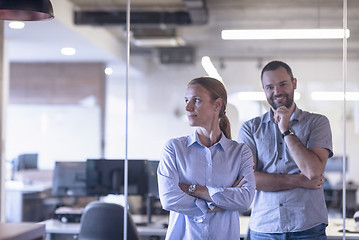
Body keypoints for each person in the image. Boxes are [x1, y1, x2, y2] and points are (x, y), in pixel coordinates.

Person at [238, 60, 333, 240]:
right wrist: (300, 180)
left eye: (283, 84)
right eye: (270, 87)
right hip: (265, 228)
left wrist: (286, 130)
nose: (277, 92)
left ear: (294, 83)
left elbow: (313, 172)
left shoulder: (317, 123)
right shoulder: (250, 128)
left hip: (308, 227)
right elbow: (249, 179)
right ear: (264, 89)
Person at [158, 76, 256, 240]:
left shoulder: (240, 153)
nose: (188, 107)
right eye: (187, 100)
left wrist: (195, 190)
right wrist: (221, 202)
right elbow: (169, 200)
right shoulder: (174, 149)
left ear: (217, 105)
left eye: (196, 100)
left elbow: (245, 200)